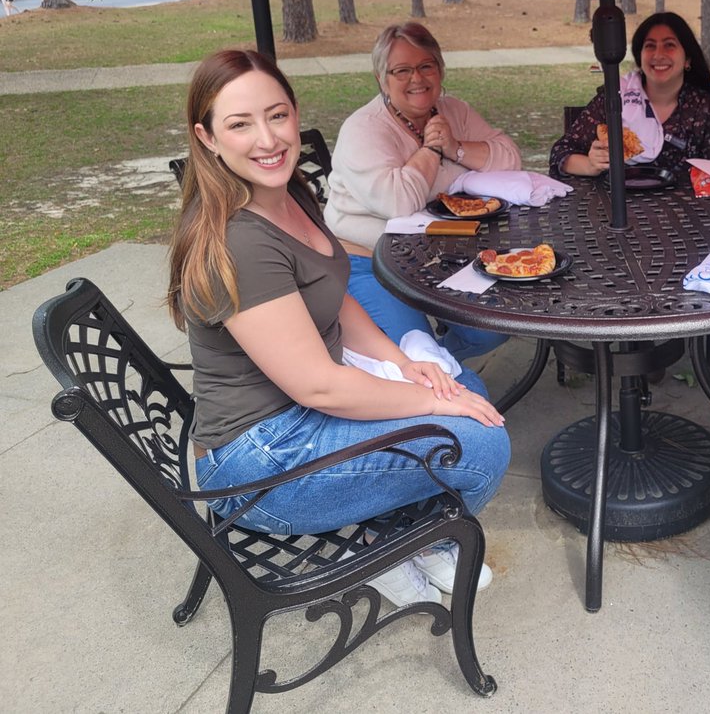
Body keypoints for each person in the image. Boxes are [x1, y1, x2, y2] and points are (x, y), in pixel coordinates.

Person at [168, 49, 511, 607]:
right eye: (240, 124)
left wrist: (405, 365)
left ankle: (395, 534)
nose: (267, 139)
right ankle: (395, 544)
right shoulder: (240, 240)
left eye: (277, 115)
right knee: (480, 440)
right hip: (264, 465)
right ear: (206, 137)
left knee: (462, 389)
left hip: (297, 421)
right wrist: (429, 403)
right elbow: (318, 386)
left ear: (295, 113)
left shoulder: (289, 193)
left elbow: (338, 297)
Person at [324, 22, 521, 363]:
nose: (417, 78)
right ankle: (418, 374)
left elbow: (510, 158)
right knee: (416, 351)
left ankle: (434, 371)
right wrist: (432, 149)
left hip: (441, 254)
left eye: (426, 66)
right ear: (381, 78)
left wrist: (457, 147)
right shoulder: (364, 129)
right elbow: (398, 203)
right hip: (367, 261)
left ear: (440, 69)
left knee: (491, 328)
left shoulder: (454, 111)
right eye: (401, 70)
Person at [549, 11, 710, 177]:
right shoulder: (615, 99)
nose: (658, 55)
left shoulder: (708, 108)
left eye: (669, 45)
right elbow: (560, 154)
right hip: (616, 212)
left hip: (687, 217)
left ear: (687, 58)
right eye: (650, 46)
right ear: (640, 57)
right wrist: (590, 164)